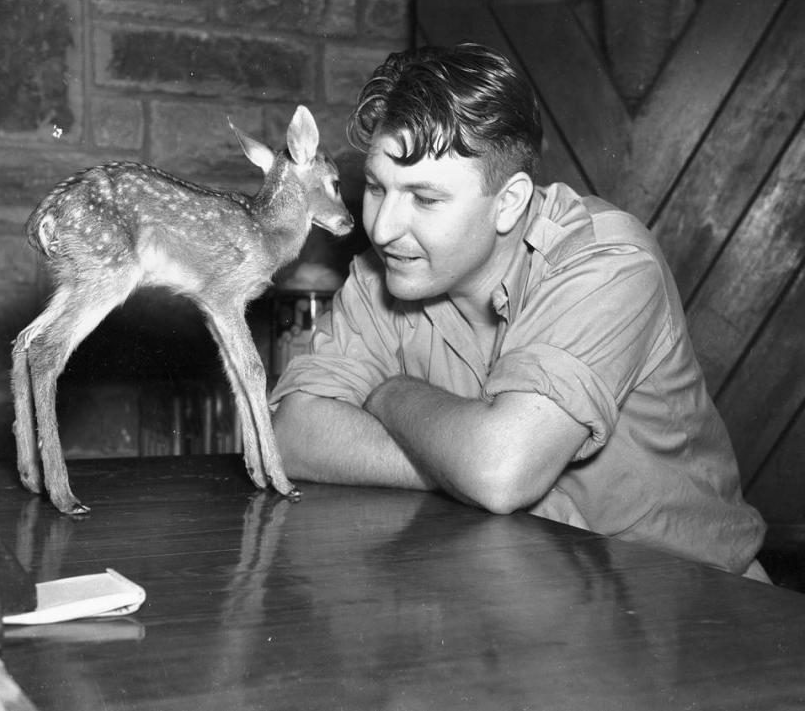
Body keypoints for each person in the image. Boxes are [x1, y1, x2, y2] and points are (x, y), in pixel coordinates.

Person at [269, 43, 769, 580]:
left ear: (508, 203)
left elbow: (498, 469)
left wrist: (385, 392)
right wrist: (457, 462)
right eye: (375, 187)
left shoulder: (608, 261)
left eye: (426, 199)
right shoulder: (382, 274)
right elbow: (290, 433)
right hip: (527, 598)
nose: (384, 228)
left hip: (698, 609)